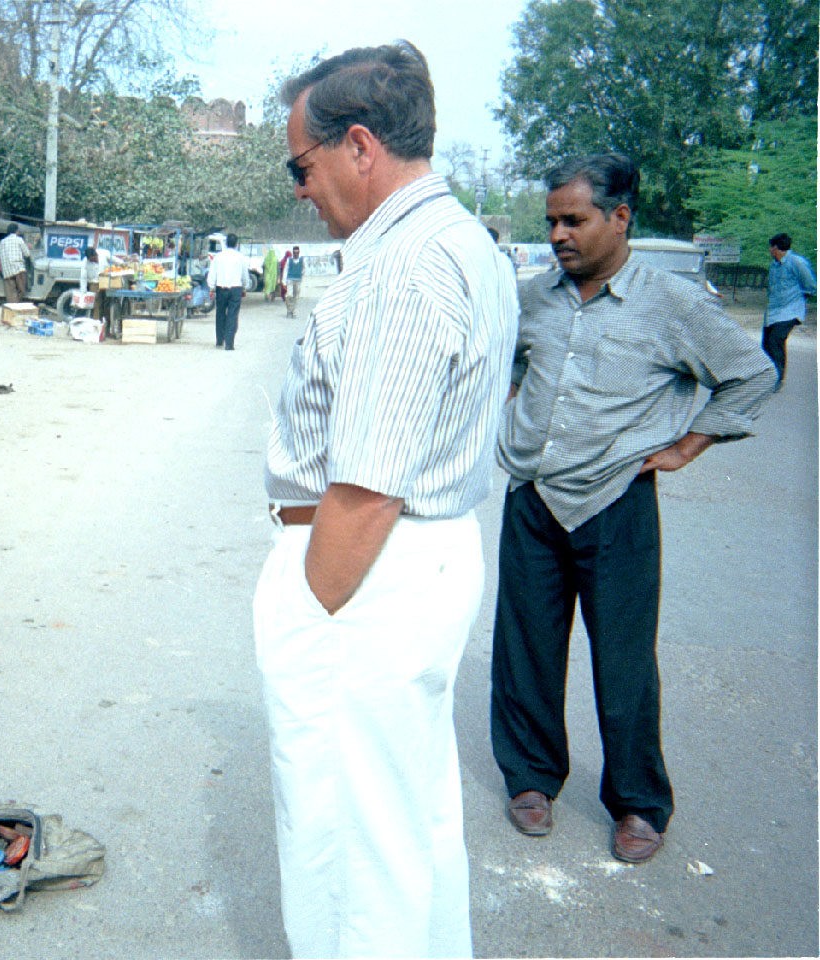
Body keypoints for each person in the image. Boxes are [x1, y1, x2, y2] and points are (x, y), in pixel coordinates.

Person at [257, 42, 516, 958]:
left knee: (347, 854)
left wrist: (307, 606)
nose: (299, 188)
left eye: (303, 164)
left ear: (359, 146)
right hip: (419, 557)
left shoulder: (403, 265)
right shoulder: (461, 241)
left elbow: (365, 491)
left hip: (366, 572)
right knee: (406, 828)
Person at [492, 152, 775, 866]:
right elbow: (511, 368)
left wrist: (688, 446)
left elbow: (751, 374)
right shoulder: (533, 298)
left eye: (574, 219)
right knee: (525, 648)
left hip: (616, 503)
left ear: (621, 218)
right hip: (533, 497)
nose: (559, 234)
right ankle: (531, 779)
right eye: (552, 220)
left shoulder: (671, 303)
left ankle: (638, 803)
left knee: (623, 662)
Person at [762, 232, 816, 386]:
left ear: (776, 248)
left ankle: (777, 379)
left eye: (770, 248)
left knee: (775, 340)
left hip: (790, 311)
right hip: (773, 311)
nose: (769, 251)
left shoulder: (797, 262)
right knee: (766, 343)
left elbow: (811, 285)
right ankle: (767, 376)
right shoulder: (774, 265)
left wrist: (801, 298)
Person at [206, 232, 246, 350]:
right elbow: (244, 275)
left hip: (221, 288)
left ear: (226, 243)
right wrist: (244, 287)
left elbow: (212, 273)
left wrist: (211, 287)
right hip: (235, 289)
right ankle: (229, 343)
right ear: (236, 244)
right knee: (233, 315)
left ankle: (219, 340)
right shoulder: (240, 257)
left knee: (220, 314)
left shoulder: (219, 257)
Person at [0, 223, 30, 303]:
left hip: (7, 272)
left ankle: (13, 305)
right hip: (18, 268)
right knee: (22, 289)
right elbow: (27, 254)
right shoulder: (19, 240)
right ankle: (18, 303)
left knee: (11, 293)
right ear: (17, 231)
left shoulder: (2, 242)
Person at [278, 244, 304, 317]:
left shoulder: (301, 260)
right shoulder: (289, 260)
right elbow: (285, 270)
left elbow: (303, 270)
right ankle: (289, 309)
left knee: (296, 296)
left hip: (298, 280)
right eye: (294, 252)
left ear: (299, 252)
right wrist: (283, 282)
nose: (296, 254)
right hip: (290, 280)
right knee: (289, 295)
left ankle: (293, 310)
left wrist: (301, 275)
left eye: (297, 252)